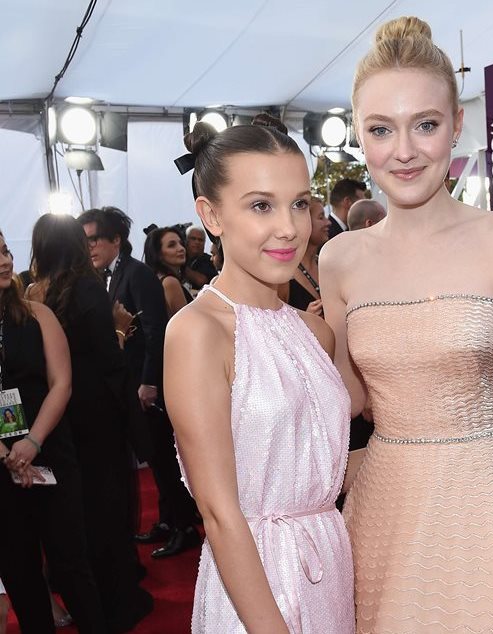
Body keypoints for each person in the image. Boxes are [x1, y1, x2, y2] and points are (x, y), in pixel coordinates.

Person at [320, 16, 493, 632]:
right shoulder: (339, 259)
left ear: (458, 124)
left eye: (426, 125)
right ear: (360, 135)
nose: (404, 151)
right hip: (386, 504)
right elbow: (350, 398)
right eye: (381, 129)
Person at [164, 119, 354, 633]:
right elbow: (220, 513)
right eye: (260, 205)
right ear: (211, 215)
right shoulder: (197, 333)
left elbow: (333, 463)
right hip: (255, 586)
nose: (290, 227)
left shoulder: (317, 334)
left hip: (331, 567)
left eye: (299, 203)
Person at [29, 213, 154, 631]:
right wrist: (120, 333)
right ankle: (114, 600)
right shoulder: (86, 288)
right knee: (106, 507)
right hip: (96, 413)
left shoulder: (35, 294)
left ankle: (88, 595)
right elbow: (108, 360)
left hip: (57, 413)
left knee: (77, 511)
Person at [0, 230, 107, 633]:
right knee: (18, 567)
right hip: (2, 466)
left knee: (71, 562)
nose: (6, 261)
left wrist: (31, 442)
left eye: (6, 251)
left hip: (50, 452)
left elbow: (62, 383)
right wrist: (6, 454)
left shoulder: (37, 314)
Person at [77, 207, 199, 559]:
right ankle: (167, 520)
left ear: (116, 240)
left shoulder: (138, 274)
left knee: (162, 456)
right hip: (132, 385)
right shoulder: (109, 275)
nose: (89, 248)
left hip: (149, 386)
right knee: (153, 454)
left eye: (94, 239)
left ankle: (184, 527)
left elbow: (156, 331)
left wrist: (149, 383)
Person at [279, 197, 330, 316]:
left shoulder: (328, 266)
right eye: (321, 217)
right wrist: (305, 320)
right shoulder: (283, 276)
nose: (328, 222)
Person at [143, 226, 194, 316]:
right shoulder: (170, 282)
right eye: (171, 245)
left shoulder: (158, 279)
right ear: (158, 254)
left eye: (181, 243)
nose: (181, 248)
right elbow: (186, 321)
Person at [183, 226, 218, 290]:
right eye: (193, 239)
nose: (197, 242)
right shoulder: (180, 257)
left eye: (200, 240)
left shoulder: (210, 260)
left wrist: (181, 267)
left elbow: (201, 281)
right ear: (186, 241)